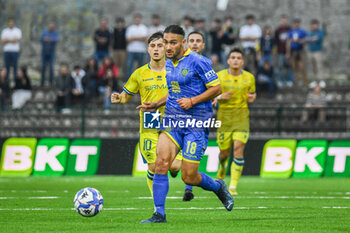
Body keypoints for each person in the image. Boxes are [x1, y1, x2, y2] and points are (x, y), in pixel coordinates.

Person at [138, 25, 233, 224]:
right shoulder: (169, 63)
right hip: (172, 120)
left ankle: (217, 187)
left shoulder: (199, 61)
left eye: (173, 42)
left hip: (195, 124)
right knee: (160, 164)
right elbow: (174, 91)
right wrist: (156, 104)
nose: (168, 46)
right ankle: (159, 214)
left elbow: (217, 88)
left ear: (183, 42)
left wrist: (193, 101)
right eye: (166, 42)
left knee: (189, 178)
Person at [111, 32, 183, 201]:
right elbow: (125, 96)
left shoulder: (176, 70)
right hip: (150, 122)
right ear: (148, 49)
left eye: (160, 45)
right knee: (154, 165)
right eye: (153, 46)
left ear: (166, 48)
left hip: (173, 122)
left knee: (174, 167)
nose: (156, 49)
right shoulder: (139, 73)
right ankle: (158, 204)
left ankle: (170, 172)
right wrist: (118, 98)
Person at [214, 48, 256, 195]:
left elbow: (252, 94)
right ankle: (222, 167)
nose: (236, 60)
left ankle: (232, 186)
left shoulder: (249, 78)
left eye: (238, 57)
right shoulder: (219, 76)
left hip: (241, 119)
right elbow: (211, 99)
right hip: (224, 120)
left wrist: (252, 97)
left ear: (242, 62)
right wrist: (220, 97)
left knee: (238, 150)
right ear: (228, 61)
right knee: (224, 153)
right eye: (233, 57)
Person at [125, 13, 148, 80]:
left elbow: (145, 38)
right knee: (129, 67)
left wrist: (133, 38)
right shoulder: (130, 28)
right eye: (136, 18)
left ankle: (140, 82)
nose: (137, 19)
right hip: (131, 50)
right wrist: (139, 38)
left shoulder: (144, 28)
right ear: (134, 19)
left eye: (138, 18)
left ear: (140, 19)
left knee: (141, 67)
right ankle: (128, 82)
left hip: (141, 50)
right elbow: (128, 39)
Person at [286, 18, 308, 87]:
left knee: (302, 67)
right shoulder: (291, 31)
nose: (296, 24)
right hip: (293, 51)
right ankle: (296, 81)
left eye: (298, 22)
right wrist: (288, 52)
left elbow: (305, 40)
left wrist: (298, 41)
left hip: (300, 50)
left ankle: (305, 81)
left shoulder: (302, 31)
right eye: (295, 22)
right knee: (294, 67)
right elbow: (288, 42)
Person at [1, 18, 22, 84]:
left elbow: (16, 40)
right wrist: (12, 40)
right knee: (7, 66)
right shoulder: (4, 31)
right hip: (7, 51)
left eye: (12, 22)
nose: (11, 24)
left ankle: (15, 81)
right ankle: (6, 81)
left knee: (15, 66)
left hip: (15, 51)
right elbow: (3, 41)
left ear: (14, 23)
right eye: (10, 22)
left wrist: (8, 40)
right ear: (8, 23)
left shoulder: (17, 30)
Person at [274, 15, 293, 87]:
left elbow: (291, 40)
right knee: (280, 67)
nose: (284, 22)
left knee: (289, 67)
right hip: (280, 52)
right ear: (281, 21)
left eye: (285, 20)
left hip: (288, 52)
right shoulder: (278, 30)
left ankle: (289, 80)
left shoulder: (290, 29)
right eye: (283, 20)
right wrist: (275, 52)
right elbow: (276, 42)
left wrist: (289, 52)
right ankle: (281, 81)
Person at [40, 21, 59, 86]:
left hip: (51, 52)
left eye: (52, 26)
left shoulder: (55, 33)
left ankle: (50, 82)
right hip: (44, 51)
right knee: (43, 67)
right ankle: (42, 82)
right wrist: (49, 40)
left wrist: (48, 39)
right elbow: (42, 39)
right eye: (50, 26)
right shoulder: (45, 32)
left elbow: (55, 40)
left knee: (51, 67)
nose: (51, 27)